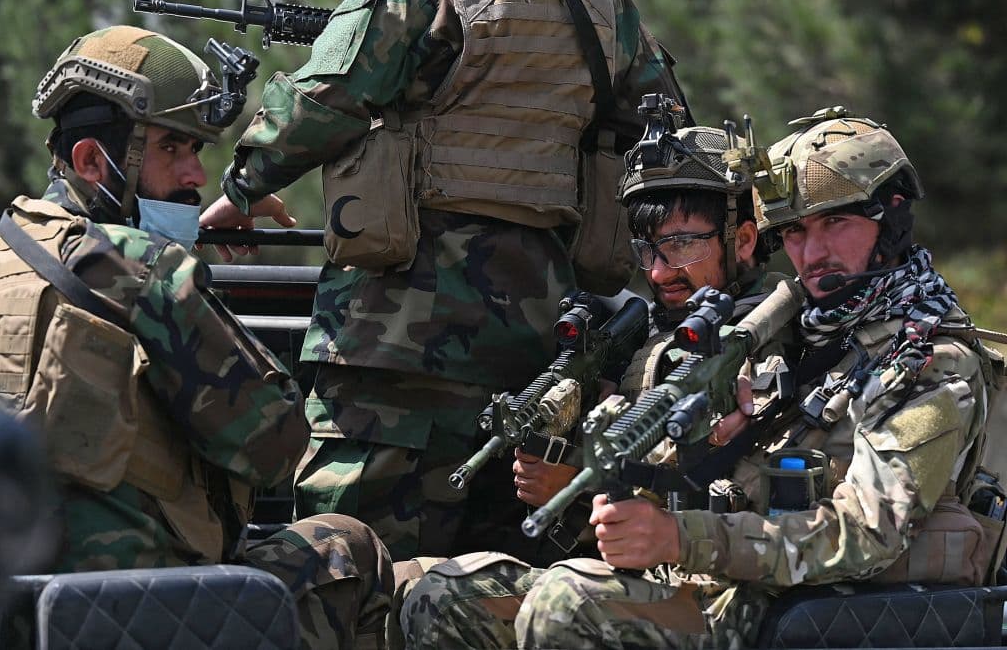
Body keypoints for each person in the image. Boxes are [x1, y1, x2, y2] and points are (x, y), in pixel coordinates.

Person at [400, 107, 1002, 649]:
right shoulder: (794, 330)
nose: (812, 251)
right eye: (795, 231)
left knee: (567, 605)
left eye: (835, 222)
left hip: (800, 606)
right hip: (713, 583)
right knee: (444, 596)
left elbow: (867, 535)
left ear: (890, 217)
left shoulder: (926, 360)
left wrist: (680, 538)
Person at [198, 0, 690, 562]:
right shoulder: (603, 3)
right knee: (497, 580)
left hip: (396, 341)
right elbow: (669, 133)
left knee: (354, 565)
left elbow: (323, 99)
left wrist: (243, 186)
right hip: (536, 351)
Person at [0, 26, 391, 650]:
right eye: (170, 147)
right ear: (92, 161)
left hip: (13, 618)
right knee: (349, 547)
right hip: (145, 613)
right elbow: (276, 444)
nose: (195, 172)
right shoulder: (145, 271)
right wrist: (174, 272)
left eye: (196, 149)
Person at [398, 119, 787, 648]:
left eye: (680, 245)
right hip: (633, 575)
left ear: (742, 240)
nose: (659, 273)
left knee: (560, 603)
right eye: (649, 250)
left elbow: (745, 497)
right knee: (437, 594)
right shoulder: (649, 336)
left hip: (724, 592)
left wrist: (579, 488)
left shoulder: (769, 339)